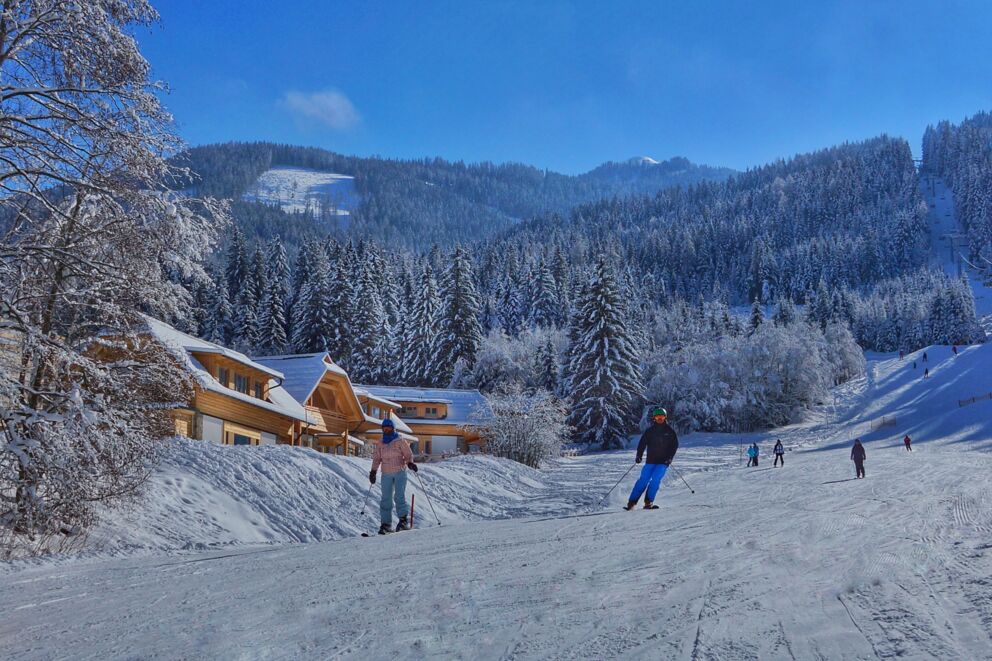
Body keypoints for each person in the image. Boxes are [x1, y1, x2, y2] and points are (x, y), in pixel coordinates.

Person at [370, 418, 418, 534]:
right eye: (384, 428)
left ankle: (403, 521)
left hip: (399, 472)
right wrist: (373, 471)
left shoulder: (400, 440)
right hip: (386, 474)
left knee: (399, 496)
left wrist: (410, 463)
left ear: (393, 429)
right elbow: (377, 458)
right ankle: (386, 524)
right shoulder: (381, 443)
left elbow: (408, 454)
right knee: (386, 499)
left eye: (388, 428)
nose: (386, 430)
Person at [625, 406, 678, 510]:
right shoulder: (650, 431)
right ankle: (631, 502)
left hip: (663, 462)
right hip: (651, 460)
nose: (660, 419)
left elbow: (674, 446)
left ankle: (648, 502)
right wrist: (639, 455)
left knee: (655, 480)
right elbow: (642, 444)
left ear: (665, 418)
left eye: (662, 417)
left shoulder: (670, 431)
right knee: (643, 480)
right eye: (657, 417)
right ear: (654, 418)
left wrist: (670, 458)